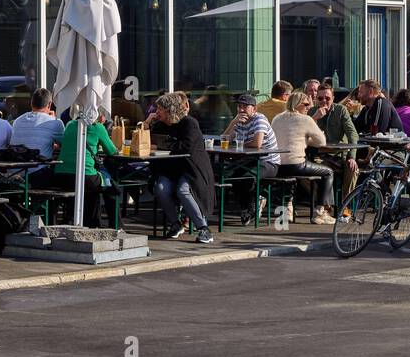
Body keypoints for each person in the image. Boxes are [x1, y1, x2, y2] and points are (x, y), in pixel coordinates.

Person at [144, 92, 215, 244]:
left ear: (171, 110)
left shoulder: (189, 123)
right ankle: (175, 224)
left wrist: (163, 145)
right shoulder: (159, 125)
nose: (156, 112)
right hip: (169, 169)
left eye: (160, 109)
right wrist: (146, 124)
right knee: (161, 188)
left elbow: (186, 147)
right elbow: (145, 141)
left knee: (183, 190)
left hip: (191, 169)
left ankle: (203, 228)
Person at [34, 112, 118, 228]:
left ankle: (93, 223)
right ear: (98, 115)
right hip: (85, 175)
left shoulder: (70, 124)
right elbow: (111, 151)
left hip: (61, 175)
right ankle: (116, 226)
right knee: (110, 187)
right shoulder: (98, 127)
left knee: (92, 188)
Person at [271, 91, 336, 224]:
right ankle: (320, 212)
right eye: (306, 104)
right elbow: (321, 142)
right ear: (296, 104)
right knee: (328, 172)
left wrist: (303, 138)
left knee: (290, 176)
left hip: (277, 165)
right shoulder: (306, 119)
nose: (308, 107)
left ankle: (288, 209)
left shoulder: (277, 118)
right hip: (296, 164)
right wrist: (306, 139)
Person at [222, 93, 279, 223]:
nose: (241, 110)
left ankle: (253, 203)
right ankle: (247, 206)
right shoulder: (239, 121)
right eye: (239, 106)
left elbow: (257, 144)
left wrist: (238, 145)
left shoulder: (259, 119)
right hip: (248, 160)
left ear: (254, 109)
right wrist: (234, 122)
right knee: (230, 175)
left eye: (245, 107)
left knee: (247, 177)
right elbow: (224, 139)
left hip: (268, 161)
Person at [313, 85, 359, 204]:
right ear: (316, 99)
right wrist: (315, 118)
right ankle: (326, 204)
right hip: (320, 156)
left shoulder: (340, 110)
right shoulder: (312, 111)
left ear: (333, 98)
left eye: (327, 98)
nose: (324, 101)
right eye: (320, 98)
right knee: (307, 174)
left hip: (339, 154)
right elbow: (303, 133)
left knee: (352, 168)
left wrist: (352, 157)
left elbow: (353, 134)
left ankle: (345, 204)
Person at [11, 88, 66, 159]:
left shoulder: (18, 120)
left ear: (31, 103)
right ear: (49, 104)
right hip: (38, 167)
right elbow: (66, 145)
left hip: (15, 168)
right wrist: (53, 120)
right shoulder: (55, 122)